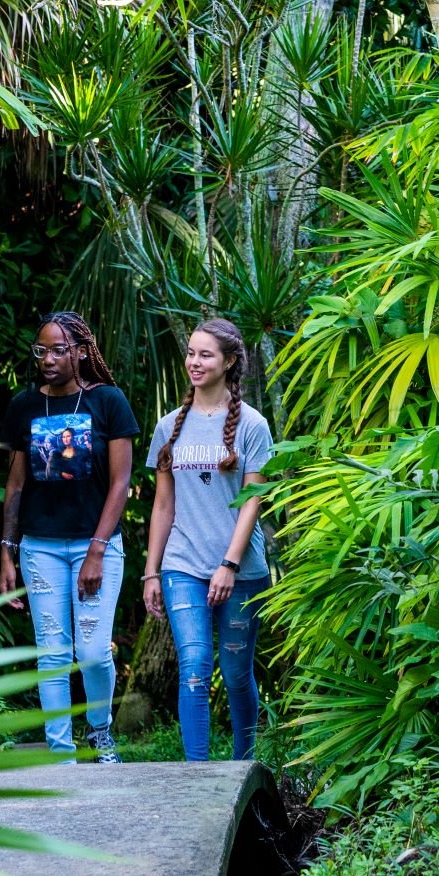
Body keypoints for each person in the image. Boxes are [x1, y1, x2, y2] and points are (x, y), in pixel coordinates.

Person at [0, 311, 139, 763]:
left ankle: (100, 732)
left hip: (96, 546)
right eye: (42, 350)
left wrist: (97, 548)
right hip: (40, 547)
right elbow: (16, 485)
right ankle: (60, 754)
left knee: (95, 653)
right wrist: (7, 551)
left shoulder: (109, 403)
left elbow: (120, 484)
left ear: (81, 351)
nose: (49, 359)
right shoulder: (24, 406)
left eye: (59, 350)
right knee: (53, 655)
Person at [142, 317, 273, 762]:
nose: (194, 362)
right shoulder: (169, 426)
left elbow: (252, 502)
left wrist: (229, 565)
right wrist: (151, 572)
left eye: (205, 354)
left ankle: (243, 768)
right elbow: (163, 506)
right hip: (182, 565)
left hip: (242, 571)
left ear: (230, 361)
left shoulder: (252, 425)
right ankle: (196, 777)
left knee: (236, 674)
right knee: (195, 669)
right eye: (191, 353)